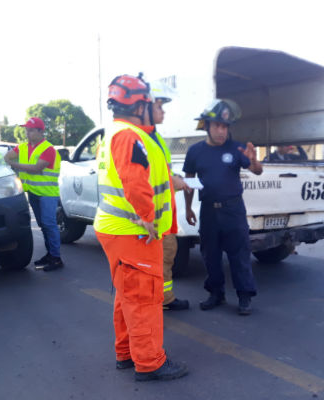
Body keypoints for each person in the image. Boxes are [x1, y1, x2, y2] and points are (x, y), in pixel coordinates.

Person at [94, 74, 187, 381]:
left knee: (127, 296)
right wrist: (148, 217)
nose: (158, 111)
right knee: (144, 298)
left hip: (121, 231)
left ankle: (126, 353)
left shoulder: (121, 133)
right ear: (139, 106)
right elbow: (134, 180)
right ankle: (149, 362)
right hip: (132, 232)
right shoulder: (128, 136)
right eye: (154, 104)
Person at [183, 99, 262, 315]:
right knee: (211, 254)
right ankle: (216, 293)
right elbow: (189, 181)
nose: (221, 131)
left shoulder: (237, 148)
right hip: (208, 210)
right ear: (207, 126)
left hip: (233, 210)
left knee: (240, 254)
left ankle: (244, 296)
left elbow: (258, 171)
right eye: (217, 125)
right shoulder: (195, 151)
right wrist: (188, 208)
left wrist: (254, 161)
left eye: (225, 127)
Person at [149, 81, 190, 311]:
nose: (163, 111)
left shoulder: (155, 138)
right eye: (159, 105)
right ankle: (159, 300)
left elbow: (161, 170)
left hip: (160, 216)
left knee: (167, 257)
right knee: (160, 259)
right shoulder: (142, 139)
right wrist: (174, 181)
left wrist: (175, 177)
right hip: (150, 218)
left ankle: (165, 298)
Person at [4, 117, 63, 271]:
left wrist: (15, 165)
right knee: (44, 226)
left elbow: (36, 168)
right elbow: (7, 157)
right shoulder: (22, 147)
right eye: (26, 130)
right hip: (33, 193)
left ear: (40, 131)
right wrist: (10, 161)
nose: (27, 133)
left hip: (47, 194)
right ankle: (50, 255)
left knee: (49, 225)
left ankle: (56, 258)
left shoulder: (48, 149)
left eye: (30, 130)